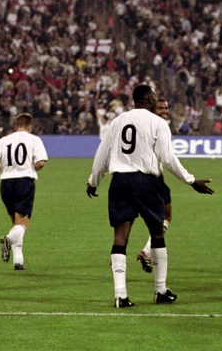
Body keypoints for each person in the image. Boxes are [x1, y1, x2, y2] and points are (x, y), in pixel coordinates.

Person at [87, 84, 214, 308]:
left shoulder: (117, 121)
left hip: (119, 180)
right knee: (157, 232)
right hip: (145, 181)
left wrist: (93, 181)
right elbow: (167, 157)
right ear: (150, 98)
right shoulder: (158, 123)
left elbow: (102, 155)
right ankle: (160, 290)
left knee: (120, 237)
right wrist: (191, 180)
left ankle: (120, 295)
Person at [0, 113, 48, 271]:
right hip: (23, 182)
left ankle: (18, 261)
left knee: (15, 222)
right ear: (30, 126)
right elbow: (41, 162)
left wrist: (2, 167)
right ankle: (7, 239)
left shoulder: (4, 140)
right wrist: (29, 168)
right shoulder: (34, 139)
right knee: (22, 222)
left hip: (6, 183)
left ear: (16, 125)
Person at [136, 97, 173, 274]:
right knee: (160, 220)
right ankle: (146, 252)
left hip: (151, 178)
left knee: (166, 216)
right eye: (161, 108)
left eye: (166, 108)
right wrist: (189, 179)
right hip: (151, 180)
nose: (165, 111)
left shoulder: (152, 125)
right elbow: (167, 158)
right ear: (152, 109)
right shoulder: (156, 126)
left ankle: (121, 257)